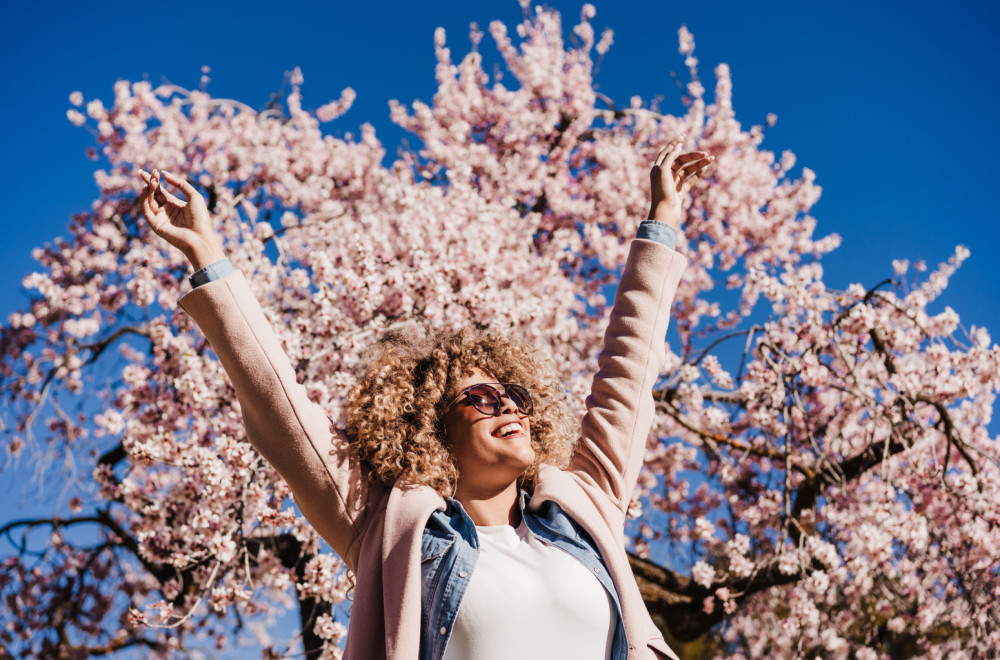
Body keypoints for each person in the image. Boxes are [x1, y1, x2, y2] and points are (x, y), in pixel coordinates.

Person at [138, 138, 712, 660]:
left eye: (514, 395)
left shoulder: (585, 506)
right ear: (431, 429)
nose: (509, 407)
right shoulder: (390, 530)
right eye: (481, 398)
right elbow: (282, 407)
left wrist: (661, 223)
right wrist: (208, 257)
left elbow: (627, 375)